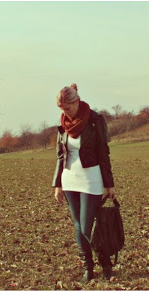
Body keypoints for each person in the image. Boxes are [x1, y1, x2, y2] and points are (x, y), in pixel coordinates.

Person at [52, 83, 116, 282]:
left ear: (77, 102)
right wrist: (57, 184)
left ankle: (104, 261)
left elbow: (103, 152)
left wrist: (109, 183)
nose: (65, 113)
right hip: (69, 179)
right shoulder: (63, 124)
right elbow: (60, 156)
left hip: (91, 178)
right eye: (62, 110)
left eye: (68, 109)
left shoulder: (96, 121)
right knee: (78, 225)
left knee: (88, 225)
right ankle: (88, 267)